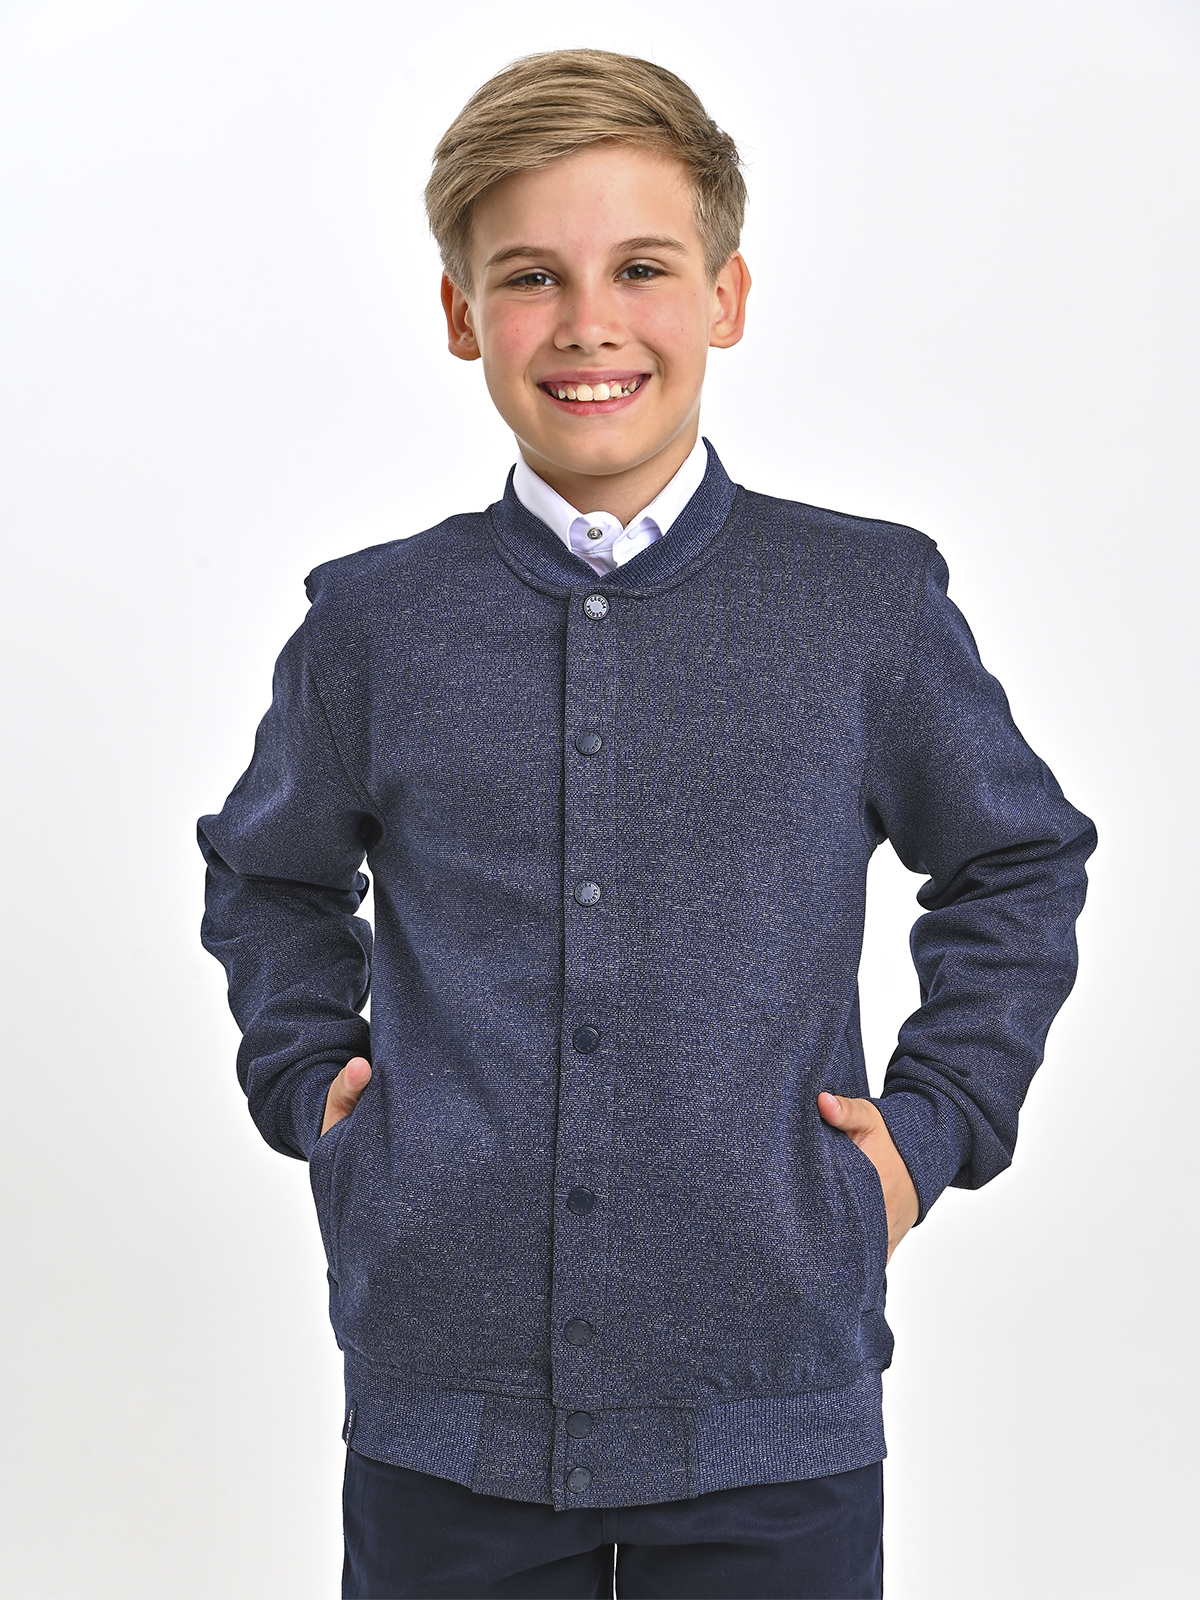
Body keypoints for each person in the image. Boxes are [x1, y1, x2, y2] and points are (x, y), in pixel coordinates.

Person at [197, 47, 1096, 1600]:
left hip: (774, 1408)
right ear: (461, 314)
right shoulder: (374, 624)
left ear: (726, 296)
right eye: (530, 277)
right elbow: (270, 878)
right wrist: (318, 1099)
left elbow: (1016, 859)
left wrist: (930, 1129)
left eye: (641, 268)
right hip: (442, 1407)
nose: (588, 322)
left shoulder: (862, 603)